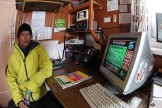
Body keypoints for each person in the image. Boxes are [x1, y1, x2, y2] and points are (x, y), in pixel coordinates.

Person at [6, 23, 62, 108]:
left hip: (40, 94)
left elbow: (47, 68)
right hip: (23, 97)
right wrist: (19, 100)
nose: (25, 37)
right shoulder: (13, 57)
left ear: (31, 37)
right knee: (11, 105)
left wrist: (31, 86)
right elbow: (11, 80)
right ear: (18, 38)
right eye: (22, 34)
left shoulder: (39, 50)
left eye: (28, 34)